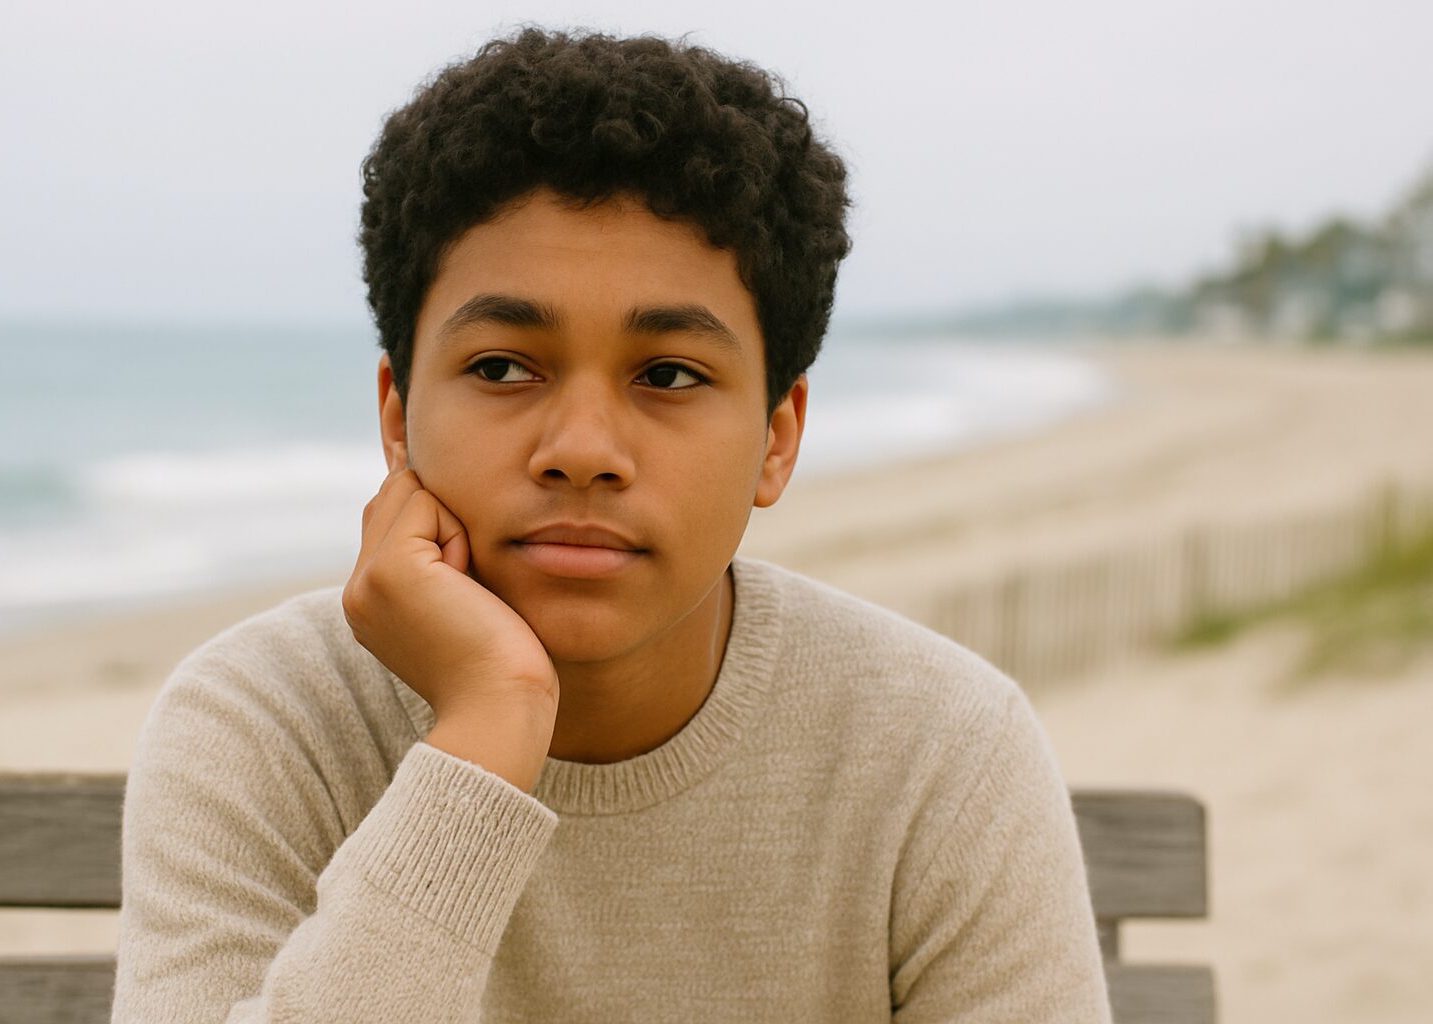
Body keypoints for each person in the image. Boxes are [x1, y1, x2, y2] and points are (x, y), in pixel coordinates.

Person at [110, 26, 1112, 1023]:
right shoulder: (262, 724)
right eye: (503, 366)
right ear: (397, 418)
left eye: (668, 375)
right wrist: (487, 729)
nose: (583, 449)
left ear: (777, 439)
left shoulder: (940, 752)